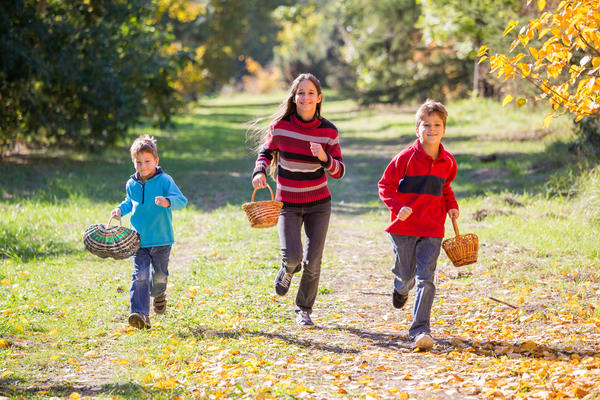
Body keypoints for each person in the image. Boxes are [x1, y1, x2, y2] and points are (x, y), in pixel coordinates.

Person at [250, 73, 345, 327]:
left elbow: (339, 171)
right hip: (288, 205)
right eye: (300, 92)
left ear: (319, 98)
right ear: (294, 97)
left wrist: (325, 158)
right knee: (292, 256)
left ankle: (304, 309)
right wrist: (259, 171)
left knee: (313, 261)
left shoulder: (328, 131)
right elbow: (266, 152)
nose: (305, 97)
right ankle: (286, 270)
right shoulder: (281, 127)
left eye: (310, 93)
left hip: (319, 205)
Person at [378, 99, 459, 350]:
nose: (432, 129)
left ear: (444, 130)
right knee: (406, 277)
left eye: (437, 125)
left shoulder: (448, 162)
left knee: (427, 279)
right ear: (417, 130)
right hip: (404, 228)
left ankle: (420, 329)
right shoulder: (405, 158)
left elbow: (444, 187)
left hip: (433, 227)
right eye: (426, 125)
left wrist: (451, 205)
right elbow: (385, 185)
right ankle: (400, 288)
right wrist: (397, 206)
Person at [111, 134, 187, 329]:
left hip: (161, 239)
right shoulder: (131, 184)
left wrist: (168, 201)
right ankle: (140, 314)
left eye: (147, 161)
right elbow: (129, 203)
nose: (142, 166)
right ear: (133, 162)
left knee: (159, 276)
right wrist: (120, 210)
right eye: (138, 162)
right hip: (138, 240)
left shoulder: (165, 181)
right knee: (140, 276)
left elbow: (182, 200)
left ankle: (159, 293)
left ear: (156, 161)